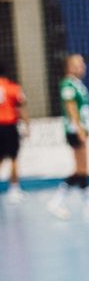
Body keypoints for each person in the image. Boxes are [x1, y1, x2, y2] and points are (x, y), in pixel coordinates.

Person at [48, 54, 89, 219]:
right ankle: (68, 202)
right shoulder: (67, 84)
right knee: (82, 168)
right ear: (69, 67)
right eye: (78, 64)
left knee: (81, 169)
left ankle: (63, 201)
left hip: (81, 128)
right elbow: (71, 108)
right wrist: (79, 129)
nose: (82, 67)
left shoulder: (77, 83)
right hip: (74, 130)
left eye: (83, 64)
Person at [0, 64, 29, 203]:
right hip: (9, 126)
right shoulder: (12, 88)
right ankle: (14, 189)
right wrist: (27, 124)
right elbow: (21, 106)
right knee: (13, 158)